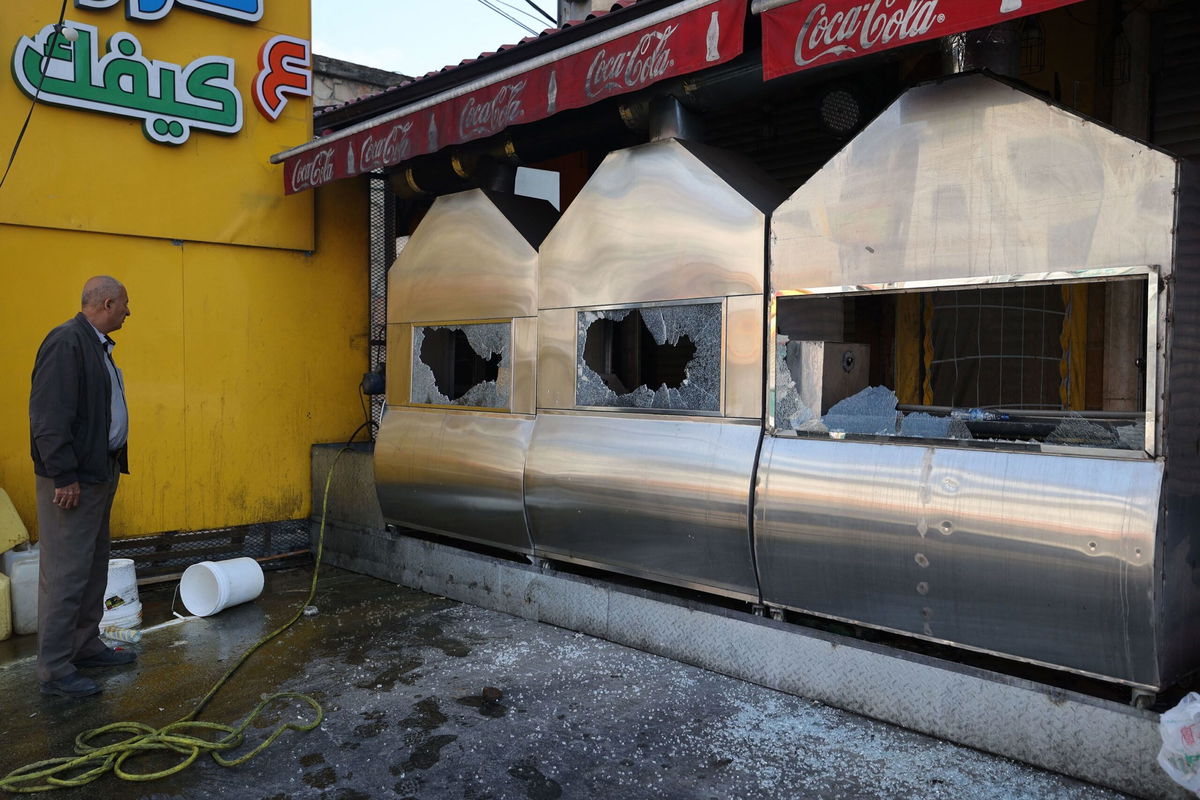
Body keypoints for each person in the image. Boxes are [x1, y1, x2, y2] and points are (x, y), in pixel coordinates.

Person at [29, 276, 136, 698]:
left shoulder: (95, 346)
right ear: (106, 303)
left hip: (98, 474)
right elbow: (48, 417)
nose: (129, 311)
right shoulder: (66, 342)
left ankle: (84, 646)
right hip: (72, 482)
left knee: (92, 568)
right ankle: (54, 669)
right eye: (125, 304)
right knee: (65, 574)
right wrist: (64, 475)